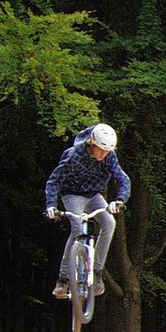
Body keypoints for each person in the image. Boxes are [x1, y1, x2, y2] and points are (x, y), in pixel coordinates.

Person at [45, 123, 131, 298]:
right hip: (72, 194)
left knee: (109, 223)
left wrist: (120, 200)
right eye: (101, 150)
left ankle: (97, 272)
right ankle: (63, 280)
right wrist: (51, 206)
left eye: (107, 151)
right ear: (92, 144)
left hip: (93, 195)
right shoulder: (73, 156)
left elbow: (123, 179)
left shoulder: (109, 156)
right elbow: (53, 182)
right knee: (77, 227)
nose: (103, 155)